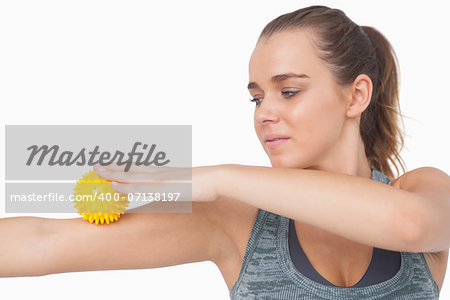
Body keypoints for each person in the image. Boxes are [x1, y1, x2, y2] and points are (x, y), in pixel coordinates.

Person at [1, 5, 449, 299]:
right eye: (257, 99)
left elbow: (409, 226)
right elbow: (42, 241)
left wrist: (216, 178)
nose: (264, 114)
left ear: (356, 97)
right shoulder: (237, 220)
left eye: (288, 91)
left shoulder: (423, 190)